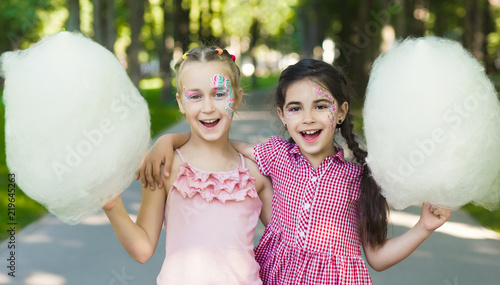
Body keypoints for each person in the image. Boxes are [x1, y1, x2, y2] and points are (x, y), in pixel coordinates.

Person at [138, 59, 451, 284]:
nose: (308, 118)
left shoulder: (359, 179)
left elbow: (378, 257)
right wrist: (167, 140)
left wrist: (423, 227)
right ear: (282, 115)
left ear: (341, 112)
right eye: (296, 108)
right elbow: (217, 141)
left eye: (321, 106)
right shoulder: (276, 156)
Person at [103, 46, 273, 285]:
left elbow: (288, 242)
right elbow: (142, 249)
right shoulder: (166, 168)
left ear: (237, 97)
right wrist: (112, 206)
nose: (208, 107)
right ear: (181, 102)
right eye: (195, 96)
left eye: (219, 94)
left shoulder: (255, 175)